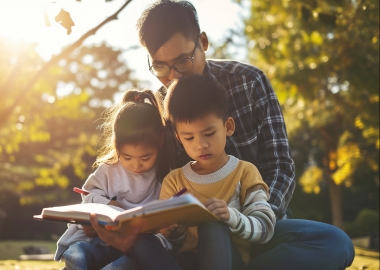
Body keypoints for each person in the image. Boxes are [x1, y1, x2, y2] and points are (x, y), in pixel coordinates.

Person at [89, 1, 355, 269]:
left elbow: (280, 167)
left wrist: (246, 222)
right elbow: (154, 183)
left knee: (334, 243)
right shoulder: (157, 109)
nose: (172, 76)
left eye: (183, 61)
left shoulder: (249, 82)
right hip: (193, 242)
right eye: (160, 67)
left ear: (202, 42)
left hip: (258, 230)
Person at [128, 74, 276, 270]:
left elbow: (265, 228)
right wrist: (173, 232)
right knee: (142, 242)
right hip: (188, 261)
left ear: (228, 127)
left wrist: (230, 216)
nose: (201, 145)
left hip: (230, 260)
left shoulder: (244, 172)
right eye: (189, 138)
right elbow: (174, 242)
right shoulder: (175, 180)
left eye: (209, 134)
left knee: (211, 225)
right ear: (179, 138)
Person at [55, 89, 171, 270]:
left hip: (134, 250)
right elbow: (89, 195)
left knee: (128, 265)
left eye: (145, 158)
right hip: (100, 241)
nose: (136, 165)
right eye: (127, 157)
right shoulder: (109, 169)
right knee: (80, 252)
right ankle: (76, 262)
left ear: (160, 140)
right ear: (117, 146)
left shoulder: (164, 174)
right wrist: (107, 204)